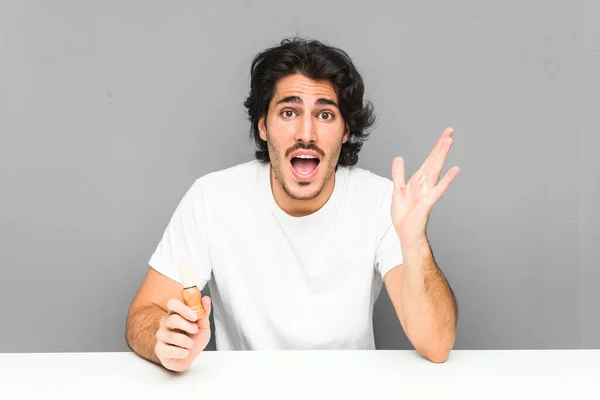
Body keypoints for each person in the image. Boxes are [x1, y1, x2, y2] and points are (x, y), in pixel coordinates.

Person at [125, 37, 460, 372]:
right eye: (289, 112)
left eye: (325, 114)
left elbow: (436, 344)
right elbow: (143, 314)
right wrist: (163, 338)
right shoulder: (211, 199)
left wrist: (414, 242)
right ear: (263, 126)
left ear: (345, 131)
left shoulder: (381, 203)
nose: (306, 132)